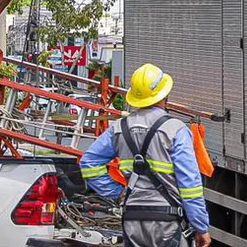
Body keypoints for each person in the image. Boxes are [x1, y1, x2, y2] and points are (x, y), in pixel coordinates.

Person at [80, 64, 210, 247]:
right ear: (164, 94)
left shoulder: (118, 129)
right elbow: (190, 187)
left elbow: (88, 163)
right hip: (168, 222)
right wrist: (201, 227)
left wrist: (119, 194)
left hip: (132, 219)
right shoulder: (176, 130)